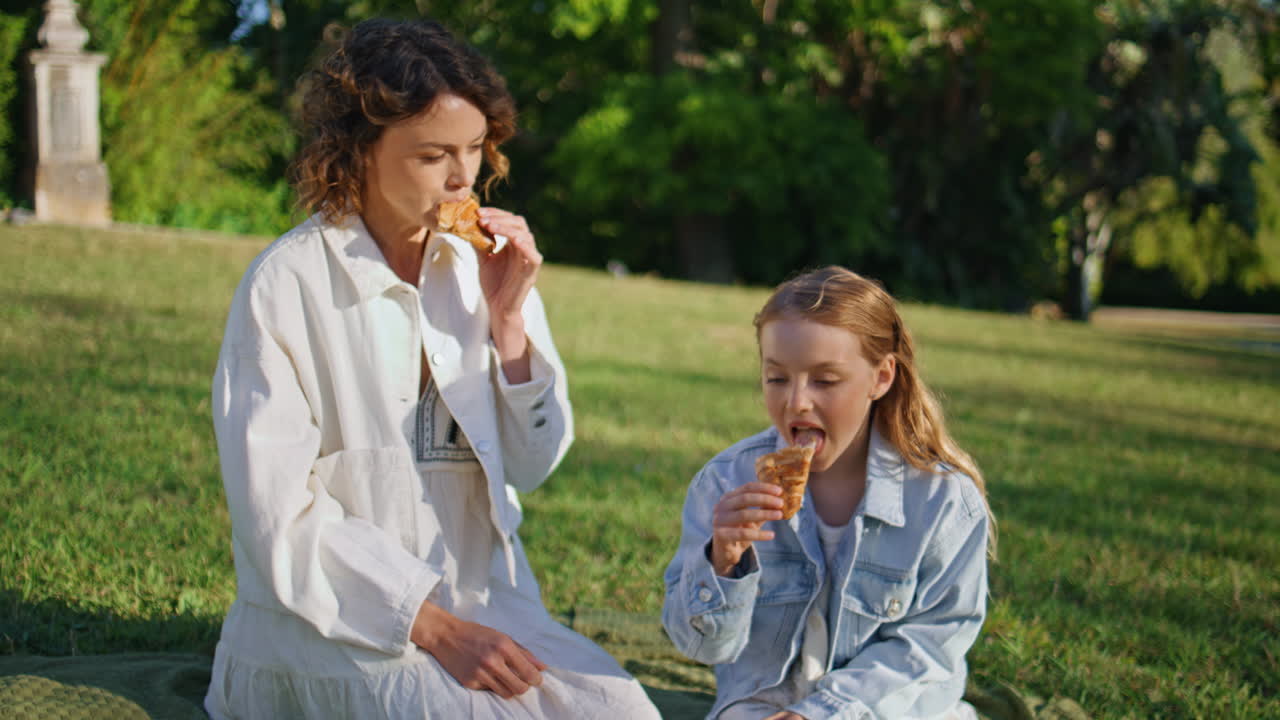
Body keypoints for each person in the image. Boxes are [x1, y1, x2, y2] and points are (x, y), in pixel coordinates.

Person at [204, 18, 660, 719]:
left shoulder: (484, 269)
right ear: (357, 151)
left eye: (475, 149)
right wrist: (435, 628)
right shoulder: (284, 286)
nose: (462, 178)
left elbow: (533, 466)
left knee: (623, 711)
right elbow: (278, 519)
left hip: (484, 596)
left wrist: (509, 324)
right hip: (331, 622)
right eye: (432, 155)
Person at [663, 267, 994, 720]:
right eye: (777, 378)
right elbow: (700, 647)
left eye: (824, 380)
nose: (796, 401)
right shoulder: (726, 484)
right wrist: (723, 562)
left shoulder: (942, 502)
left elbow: (932, 645)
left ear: (881, 378)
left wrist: (822, 713)